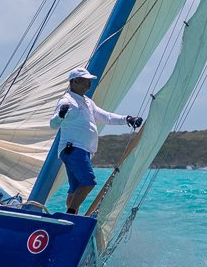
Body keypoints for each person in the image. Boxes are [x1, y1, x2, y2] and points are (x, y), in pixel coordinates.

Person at [49, 66, 143, 214]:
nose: (89, 83)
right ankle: (71, 214)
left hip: (82, 150)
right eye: (85, 80)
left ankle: (70, 217)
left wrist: (127, 119)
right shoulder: (66, 101)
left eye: (89, 80)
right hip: (73, 149)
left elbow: (107, 117)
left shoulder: (87, 102)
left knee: (75, 188)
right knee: (88, 182)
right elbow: (53, 124)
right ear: (75, 81)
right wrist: (60, 115)